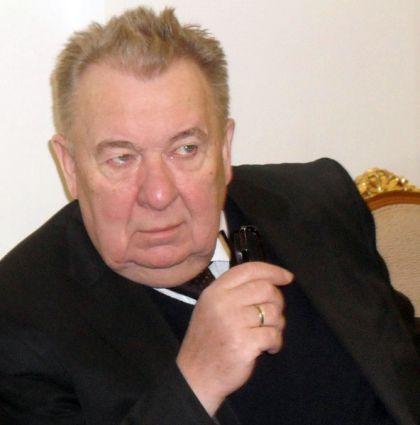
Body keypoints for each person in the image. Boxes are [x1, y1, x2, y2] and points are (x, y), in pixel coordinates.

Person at [0, 6, 418, 425]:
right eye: (121, 158)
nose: (159, 194)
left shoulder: (320, 202)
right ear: (71, 167)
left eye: (185, 149)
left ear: (223, 148)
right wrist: (196, 382)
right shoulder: (19, 315)